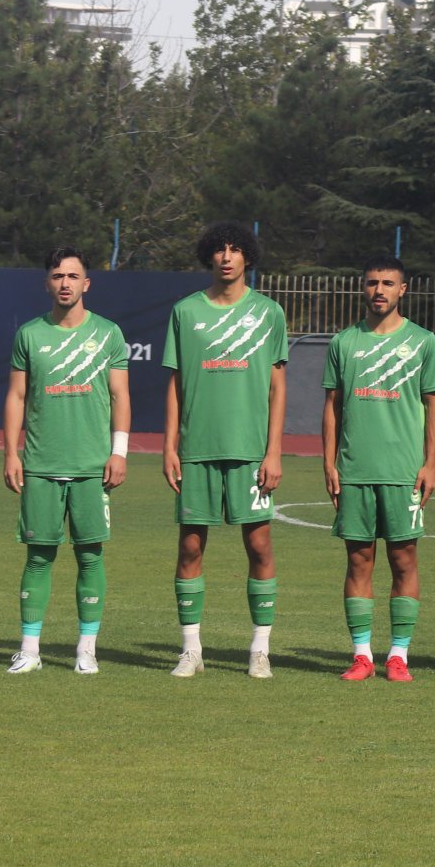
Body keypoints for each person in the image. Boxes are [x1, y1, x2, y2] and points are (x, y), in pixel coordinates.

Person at [162, 221, 289, 678]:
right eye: (219, 250)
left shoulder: (269, 313)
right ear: (208, 257)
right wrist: (170, 445)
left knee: (259, 545)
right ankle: (191, 650)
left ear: (248, 258)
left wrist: (273, 451)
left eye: (236, 249)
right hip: (197, 450)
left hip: (251, 451)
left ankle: (260, 649)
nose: (227, 257)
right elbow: (175, 383)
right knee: (191, 547)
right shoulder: (185, 312)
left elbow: (278, 387)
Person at [2, 247, 131, 675]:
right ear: (47, 283)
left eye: (73, 276)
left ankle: (86, 649)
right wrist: (11, 453)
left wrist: (119, 451)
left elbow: (119, 396)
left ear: (86, 284)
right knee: (38, 557)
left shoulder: (109, 333)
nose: (65, 283)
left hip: (92, 467)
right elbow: (17, 396)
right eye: (57, 276)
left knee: (91, 557)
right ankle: (30, 650)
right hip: (40, 463)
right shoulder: (30, 335)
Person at [322, 256, 435, 682]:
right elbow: (332, 408)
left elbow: (434, 405)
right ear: (363, 288)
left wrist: (430, 463)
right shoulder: (343, 342)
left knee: (403, 558)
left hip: (404, 470)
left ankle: (398, 655)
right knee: (358, 559)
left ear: (402, 290)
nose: (379, 290)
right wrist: (329, 462)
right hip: (355, 469)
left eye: (388, 283)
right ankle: (361, 656)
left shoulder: (424, 342)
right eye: (372, 283)